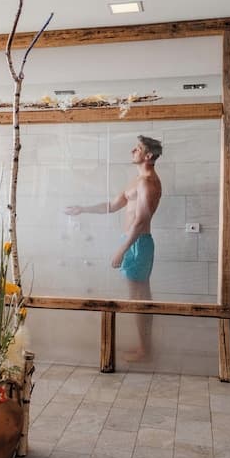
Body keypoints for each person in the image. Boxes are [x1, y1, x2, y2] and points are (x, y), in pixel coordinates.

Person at [65, 135, 163, 362]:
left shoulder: (148, 183)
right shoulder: (137, 181)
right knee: (137, 297)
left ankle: (145, 351)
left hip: (137, 243)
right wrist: (83, 209)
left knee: (139, 298)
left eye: (137, 149)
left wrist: (122, 249)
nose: (132, 151)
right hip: (133, 242)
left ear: (148, 155)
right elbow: (111, 206)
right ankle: (144, 347)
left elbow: (141, 220)